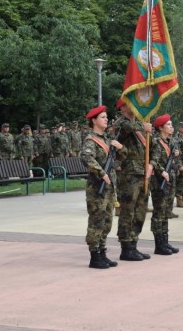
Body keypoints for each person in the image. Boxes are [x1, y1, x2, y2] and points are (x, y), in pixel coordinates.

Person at [80, 105, 126, 269]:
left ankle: (102, 252)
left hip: (109, 188)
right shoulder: (91, 140)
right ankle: (94, 256)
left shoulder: (108, 140)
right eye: (103, 117)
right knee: (96, 221)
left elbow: (121, 159)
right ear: (94, 120)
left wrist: (121, 149)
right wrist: (101, 173)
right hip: (97, 188)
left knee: (107, 222)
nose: (106, 119)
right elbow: (86, 158)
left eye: (106, 117)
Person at [114, 99, 157, 261]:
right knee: (128, 210)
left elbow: (152, 147)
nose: (134, 107)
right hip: (129, 174)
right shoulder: (121, 124)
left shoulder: (139, 127)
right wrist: (143, 126)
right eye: (130, 104)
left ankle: (134, 243)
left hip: (143, 172)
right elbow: (126, 128)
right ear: (122, 107)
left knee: (140, 210)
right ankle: (126, 246)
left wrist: (151, 164)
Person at [150, 114, 180, 255]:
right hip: (159, 181)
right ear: (160, 127)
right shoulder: (156, 141)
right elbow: (153, 160)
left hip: (169, 180)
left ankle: (165, 241)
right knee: (159, 212)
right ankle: (159, 244)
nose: (171, 127)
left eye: (171, 124)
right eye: (168, 124)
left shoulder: (170, 142)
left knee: (166, 211)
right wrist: (162, 171)